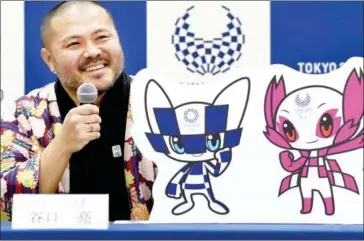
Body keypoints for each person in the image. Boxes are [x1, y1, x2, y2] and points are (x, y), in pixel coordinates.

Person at [0, 1, 157, 222]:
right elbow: (5, 204)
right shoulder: (22, 114)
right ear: (49, 59)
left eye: (102, 38)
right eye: (74, 44)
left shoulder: (157, 102)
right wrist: (62, 145)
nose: (93, 52)